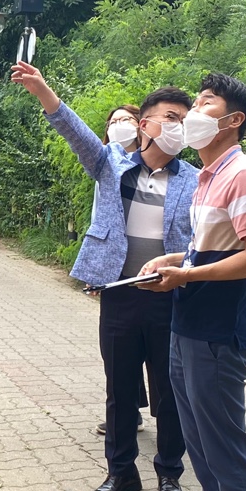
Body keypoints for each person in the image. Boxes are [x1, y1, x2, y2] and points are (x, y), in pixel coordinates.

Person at [11, 61, 198, 491]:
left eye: (183, 121)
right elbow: (74, 131)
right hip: (119, 291)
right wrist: (43, 92)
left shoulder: (195, 179)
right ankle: (121, 472)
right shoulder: (111, 165)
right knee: (119, 386)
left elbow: (206, 238)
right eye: (169, 118)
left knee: (170, 391)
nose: (177, 127)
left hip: (170, 293)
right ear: (146, 123)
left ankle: (170, 474)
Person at [140, 73, 246, 491]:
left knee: (223, 440)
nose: (193, 113)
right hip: (189, 320)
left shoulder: (244, 175)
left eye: (204, 103)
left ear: (233, 119)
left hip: (218, 328)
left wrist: (189, 274)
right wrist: (177, 260)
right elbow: (215, 247)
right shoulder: (207, 176)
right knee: (198, 436)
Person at [94, 105, 149, 437]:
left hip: (155, 270)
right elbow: (99, 218)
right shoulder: (104, 162)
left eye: (125, 119)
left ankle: (169, 420)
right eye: (113, 121)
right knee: (117, 351)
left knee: (151, 349)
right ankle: (127, 412)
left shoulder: (155, 165)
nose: (119, 125)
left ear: (141, 125)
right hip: (116, 271)